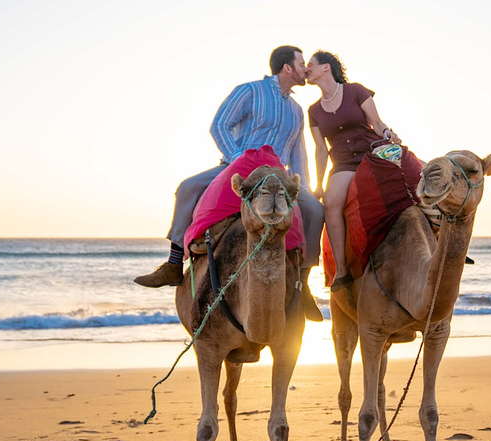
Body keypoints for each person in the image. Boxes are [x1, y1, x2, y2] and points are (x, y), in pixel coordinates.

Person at [134, 45, 325, 322]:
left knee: (316, 211)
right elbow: (220, 126)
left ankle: (302, 283)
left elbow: (298, 152)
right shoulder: (249, 91)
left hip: (277, 176)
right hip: (235, 167)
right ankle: (174, 263)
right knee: (187, 187)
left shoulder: (297, 110)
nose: (305, 68)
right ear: (287, 68)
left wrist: (302, 187)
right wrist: (239, 161)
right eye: (301, 63)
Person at [306, 51, 401, 292]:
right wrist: (319, 184)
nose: (306, 69)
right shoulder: (314, 111)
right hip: (343, 163)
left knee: (413, 173)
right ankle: (341, 270)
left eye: (310, 65)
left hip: (371, 152)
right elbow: (320, 149)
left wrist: (388, 133)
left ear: (326, 67)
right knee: (330, 203)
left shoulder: (357, 91)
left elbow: (377, 124)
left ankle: (436, 237)